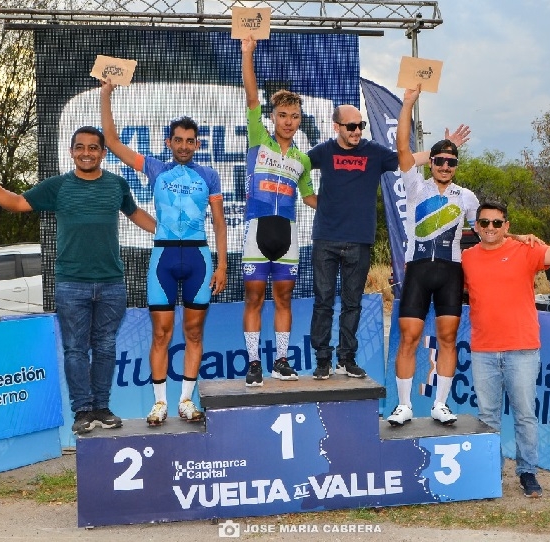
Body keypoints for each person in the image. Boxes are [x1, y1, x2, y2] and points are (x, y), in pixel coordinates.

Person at [0, 126, 157, 435]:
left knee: (105, 348)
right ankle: (82, 411)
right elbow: (16, 203)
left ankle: (102, 407)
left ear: (103, 153)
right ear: (71, 152)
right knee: (75, 350)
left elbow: (136, 214)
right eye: (80, 147)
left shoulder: (117, 185)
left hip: (112, 284)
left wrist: (170, 233)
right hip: (71, 285)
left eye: (93, 148)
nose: (86, 153)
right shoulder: (58, 186)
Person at [307, 103, 469, 380]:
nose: (357, 131)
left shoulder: (373, 152)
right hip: (326, 238)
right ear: (337, 127)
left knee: (352, 303)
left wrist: (442, 151)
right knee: (323, 301)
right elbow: (297, 167)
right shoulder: (323, 151)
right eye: (351, 126)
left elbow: (407, 158)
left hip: (360, 240)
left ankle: (346, 359)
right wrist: (309, 198)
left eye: (361, 125)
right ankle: (322, 359)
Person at [101, 81, 228, 426]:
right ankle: (159, 403)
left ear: (197, 144)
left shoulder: (209, 176)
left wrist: (222, 265)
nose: (184, 146)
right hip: (163, 259)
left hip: (199, 259)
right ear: (169, 142)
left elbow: (219, 224)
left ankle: (186, 401)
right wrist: (106, 93)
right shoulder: (156, 168)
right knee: (161, 333)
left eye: (190, 141)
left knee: (194, 332)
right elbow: (111, 141)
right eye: (178, 140)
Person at [461, 201, 550, 498]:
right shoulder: (466, 258)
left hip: (522, 348)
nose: (490, 228)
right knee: (487, 416)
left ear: (507, 226)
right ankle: (491, 472)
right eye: (484, 222)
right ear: (476, 227)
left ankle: (527, 471)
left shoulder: (525, 249)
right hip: (483, 350)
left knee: (525, 415)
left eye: (497, 223)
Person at [385, 87, 479, 426]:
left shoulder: (466, 196)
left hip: (451, 272)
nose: (445, 166)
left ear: (456, 166)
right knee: (409, 338)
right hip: (419, 270)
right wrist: (408, 103)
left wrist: (520, 239)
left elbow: (486, 231)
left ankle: (441, 404)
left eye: (451, 162)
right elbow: (402, 148)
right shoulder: (416, 186)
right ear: (431, 163)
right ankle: (404, 405)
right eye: (439, 160)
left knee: (448, 339)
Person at [240, 36, 317, 387]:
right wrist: (247, 53)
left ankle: (281, 361)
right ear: (272, 117)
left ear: (300, 120)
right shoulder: (259, 138)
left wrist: (345, 205)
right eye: (283, 115)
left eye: (294, 116)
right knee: (254, 298)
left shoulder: (302, 159)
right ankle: (254, 363)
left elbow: (310, 197)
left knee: (284, 298)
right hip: (257, 231)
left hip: (288, 234)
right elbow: (251, 97)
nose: (288, 121)